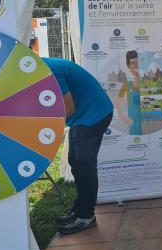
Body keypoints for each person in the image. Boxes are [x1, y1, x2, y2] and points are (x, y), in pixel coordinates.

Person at [43, 57, 114, 234]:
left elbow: (68, 108)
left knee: (84, 164)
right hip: (82, 116)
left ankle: (86, 216)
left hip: (95, 113)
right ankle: (80, 209)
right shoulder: (42, 68)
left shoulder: (50, 71)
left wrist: (49, 129)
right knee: (74, 160)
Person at [115, 50, 142, 135]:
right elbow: (117, 103)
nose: (136, 65)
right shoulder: (127, 84)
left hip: (147, 118)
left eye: (137, 62)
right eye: (133, 63)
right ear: (129, 65)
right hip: (133, 119)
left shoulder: (145, 82)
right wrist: (123, 118)